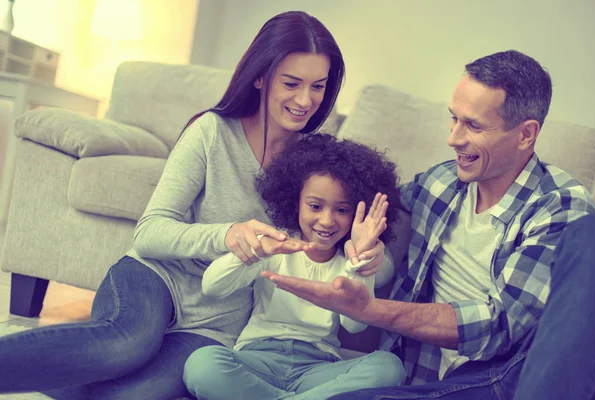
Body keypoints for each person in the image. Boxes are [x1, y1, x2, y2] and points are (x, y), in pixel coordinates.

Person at [0, 11, 384, 400]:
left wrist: (368, 254)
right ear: (260, 77)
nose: (306, 101)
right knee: (127, 344)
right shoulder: (212, 131)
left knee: (136, 395)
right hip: (158, 277)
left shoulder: (315, 161)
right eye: (292, 83)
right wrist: (228, 235)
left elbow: (336, 234)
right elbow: (150, 232)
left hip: (219, 319)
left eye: (318, 86)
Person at [264, 49, 595, 399]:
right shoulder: (440, 183)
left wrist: (371, 310)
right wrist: (359, 245)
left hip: (502, 380)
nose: (453, 138)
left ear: (526, 134)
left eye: (473, 125)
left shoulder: (560, 208)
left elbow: (500, 325)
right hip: (426, 382)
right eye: (453, 119)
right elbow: (354, 205)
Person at [182, 133, 405, 400]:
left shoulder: (350, 262)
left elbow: (355, 326)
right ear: (294, 202)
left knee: (388, 367)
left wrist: (358, 260)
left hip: (318, 369)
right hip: (257, 360)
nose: (326, 220)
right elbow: (212, 286)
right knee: (201, 364)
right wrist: (254, 251)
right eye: (315, 206)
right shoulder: (275, 245)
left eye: (342, 210)